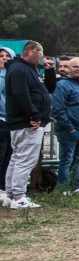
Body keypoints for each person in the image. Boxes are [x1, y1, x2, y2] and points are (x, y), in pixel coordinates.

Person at [3, 41, 52, 209]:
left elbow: (48, 89)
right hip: (27, 122)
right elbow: (20, 94)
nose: (42, 57)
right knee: (25, 159)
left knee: (17, 158)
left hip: (25, 122)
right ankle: (19, 196)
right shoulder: (19, 69)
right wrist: (33, 114)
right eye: (41, 53)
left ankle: (11, 195)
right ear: (32, 51)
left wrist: (49, 69)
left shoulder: (28, 69)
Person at [51, 57, 79, 194]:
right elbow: (57, 109)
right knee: (67, 160)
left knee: (78, 159)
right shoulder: (62, 85)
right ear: (68, 69)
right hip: (69, 131)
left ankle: (74, 187)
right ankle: (63, 189)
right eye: (75, 67)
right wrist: (70, 128)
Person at [0, 47, 12, 202]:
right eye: (1, 56)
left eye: (7, 56)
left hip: (12, 120)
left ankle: (4, 186)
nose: (3, 58)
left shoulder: (13, 75)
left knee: (9, 155)